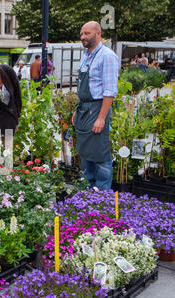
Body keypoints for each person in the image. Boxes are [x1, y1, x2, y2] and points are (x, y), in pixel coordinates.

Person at [71, 21, 119, 191]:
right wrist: (77, 110)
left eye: (87, 34)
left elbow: (109, 91)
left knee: (100, 154)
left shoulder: (107, 56)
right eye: (82, 33)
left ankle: (103, 195)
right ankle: (87, 194)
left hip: (98, 109)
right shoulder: (86, 55)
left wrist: (101, 118)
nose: (83, 37)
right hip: (84, 109)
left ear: (98, 33)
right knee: (85, 152)